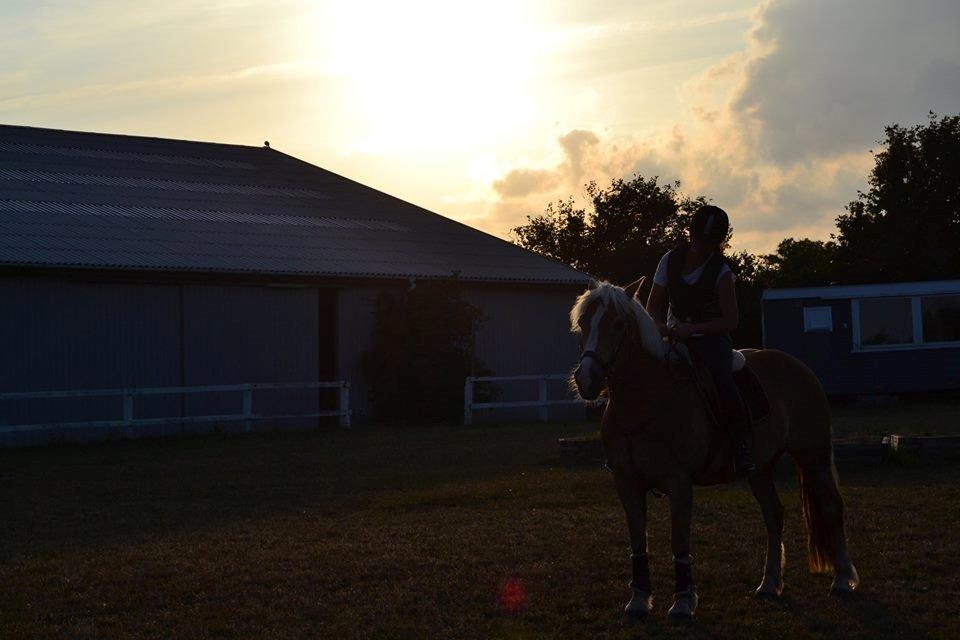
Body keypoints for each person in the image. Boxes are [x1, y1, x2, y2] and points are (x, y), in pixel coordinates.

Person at [645, 205, 756, 476]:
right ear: (690, 235)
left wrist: (694, 329)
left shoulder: (723, 272)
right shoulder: (668, 261)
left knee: (723, 381)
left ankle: (742, 447)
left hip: (711, 341)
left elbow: (731, 322)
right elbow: (653, 305)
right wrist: (660, 326)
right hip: (672, 336)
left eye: (709, 244)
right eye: (699, 241)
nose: (702, 248)